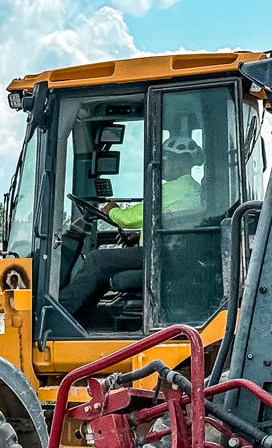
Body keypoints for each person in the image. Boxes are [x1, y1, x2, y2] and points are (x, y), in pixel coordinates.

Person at [59, 135, 204, 319]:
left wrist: (111, 210)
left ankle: (60, 314)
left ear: (185, 162)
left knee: (98, 260)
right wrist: (139, 236)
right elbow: (171, 222)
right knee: (104, 268)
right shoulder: (192, 188)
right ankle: (80, 316)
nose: (164, 162)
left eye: (169, 158)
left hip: (162, 255)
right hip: (173, 253)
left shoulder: (171, 190)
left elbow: (129, 218)